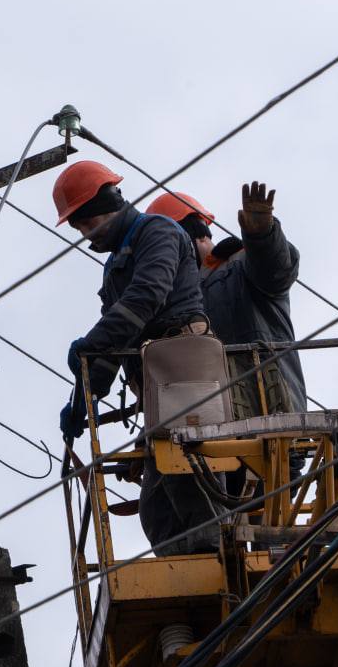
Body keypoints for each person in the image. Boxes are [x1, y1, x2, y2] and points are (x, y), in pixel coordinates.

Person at [52, 159, 223, 555]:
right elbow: (118, 339)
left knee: (189, 476)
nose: (84, 234)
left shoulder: (158, 232)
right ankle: (184, 579)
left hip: (185, 364)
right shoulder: (115, 267)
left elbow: (147, 296)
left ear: (100, 205)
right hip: (158, 379)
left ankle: (214, 566)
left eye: (83, 223)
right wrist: (86, 395)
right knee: (157, 506)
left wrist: (92, 342)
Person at [147, 182, 308, 490]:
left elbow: (277, 270)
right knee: (230, 523)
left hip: (268, 412)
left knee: (268, 516)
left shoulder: (238, 264)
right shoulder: (179, 293)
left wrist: (262, 234)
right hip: (214, 427)